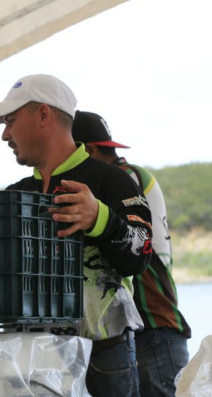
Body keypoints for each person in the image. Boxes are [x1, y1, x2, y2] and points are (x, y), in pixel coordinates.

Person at [0, 74, 153, 397]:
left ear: (44, 115)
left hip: (104, 357)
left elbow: (140, 254)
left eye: (11, 121)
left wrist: (99, 218)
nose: (5, 134)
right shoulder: (14, 196)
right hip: (30, 357)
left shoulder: (113, 180)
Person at [73, 110, 191, 397]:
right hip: (152, 330)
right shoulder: (135, 175)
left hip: (154, 329)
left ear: (87, 150)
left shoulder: (122, 179)